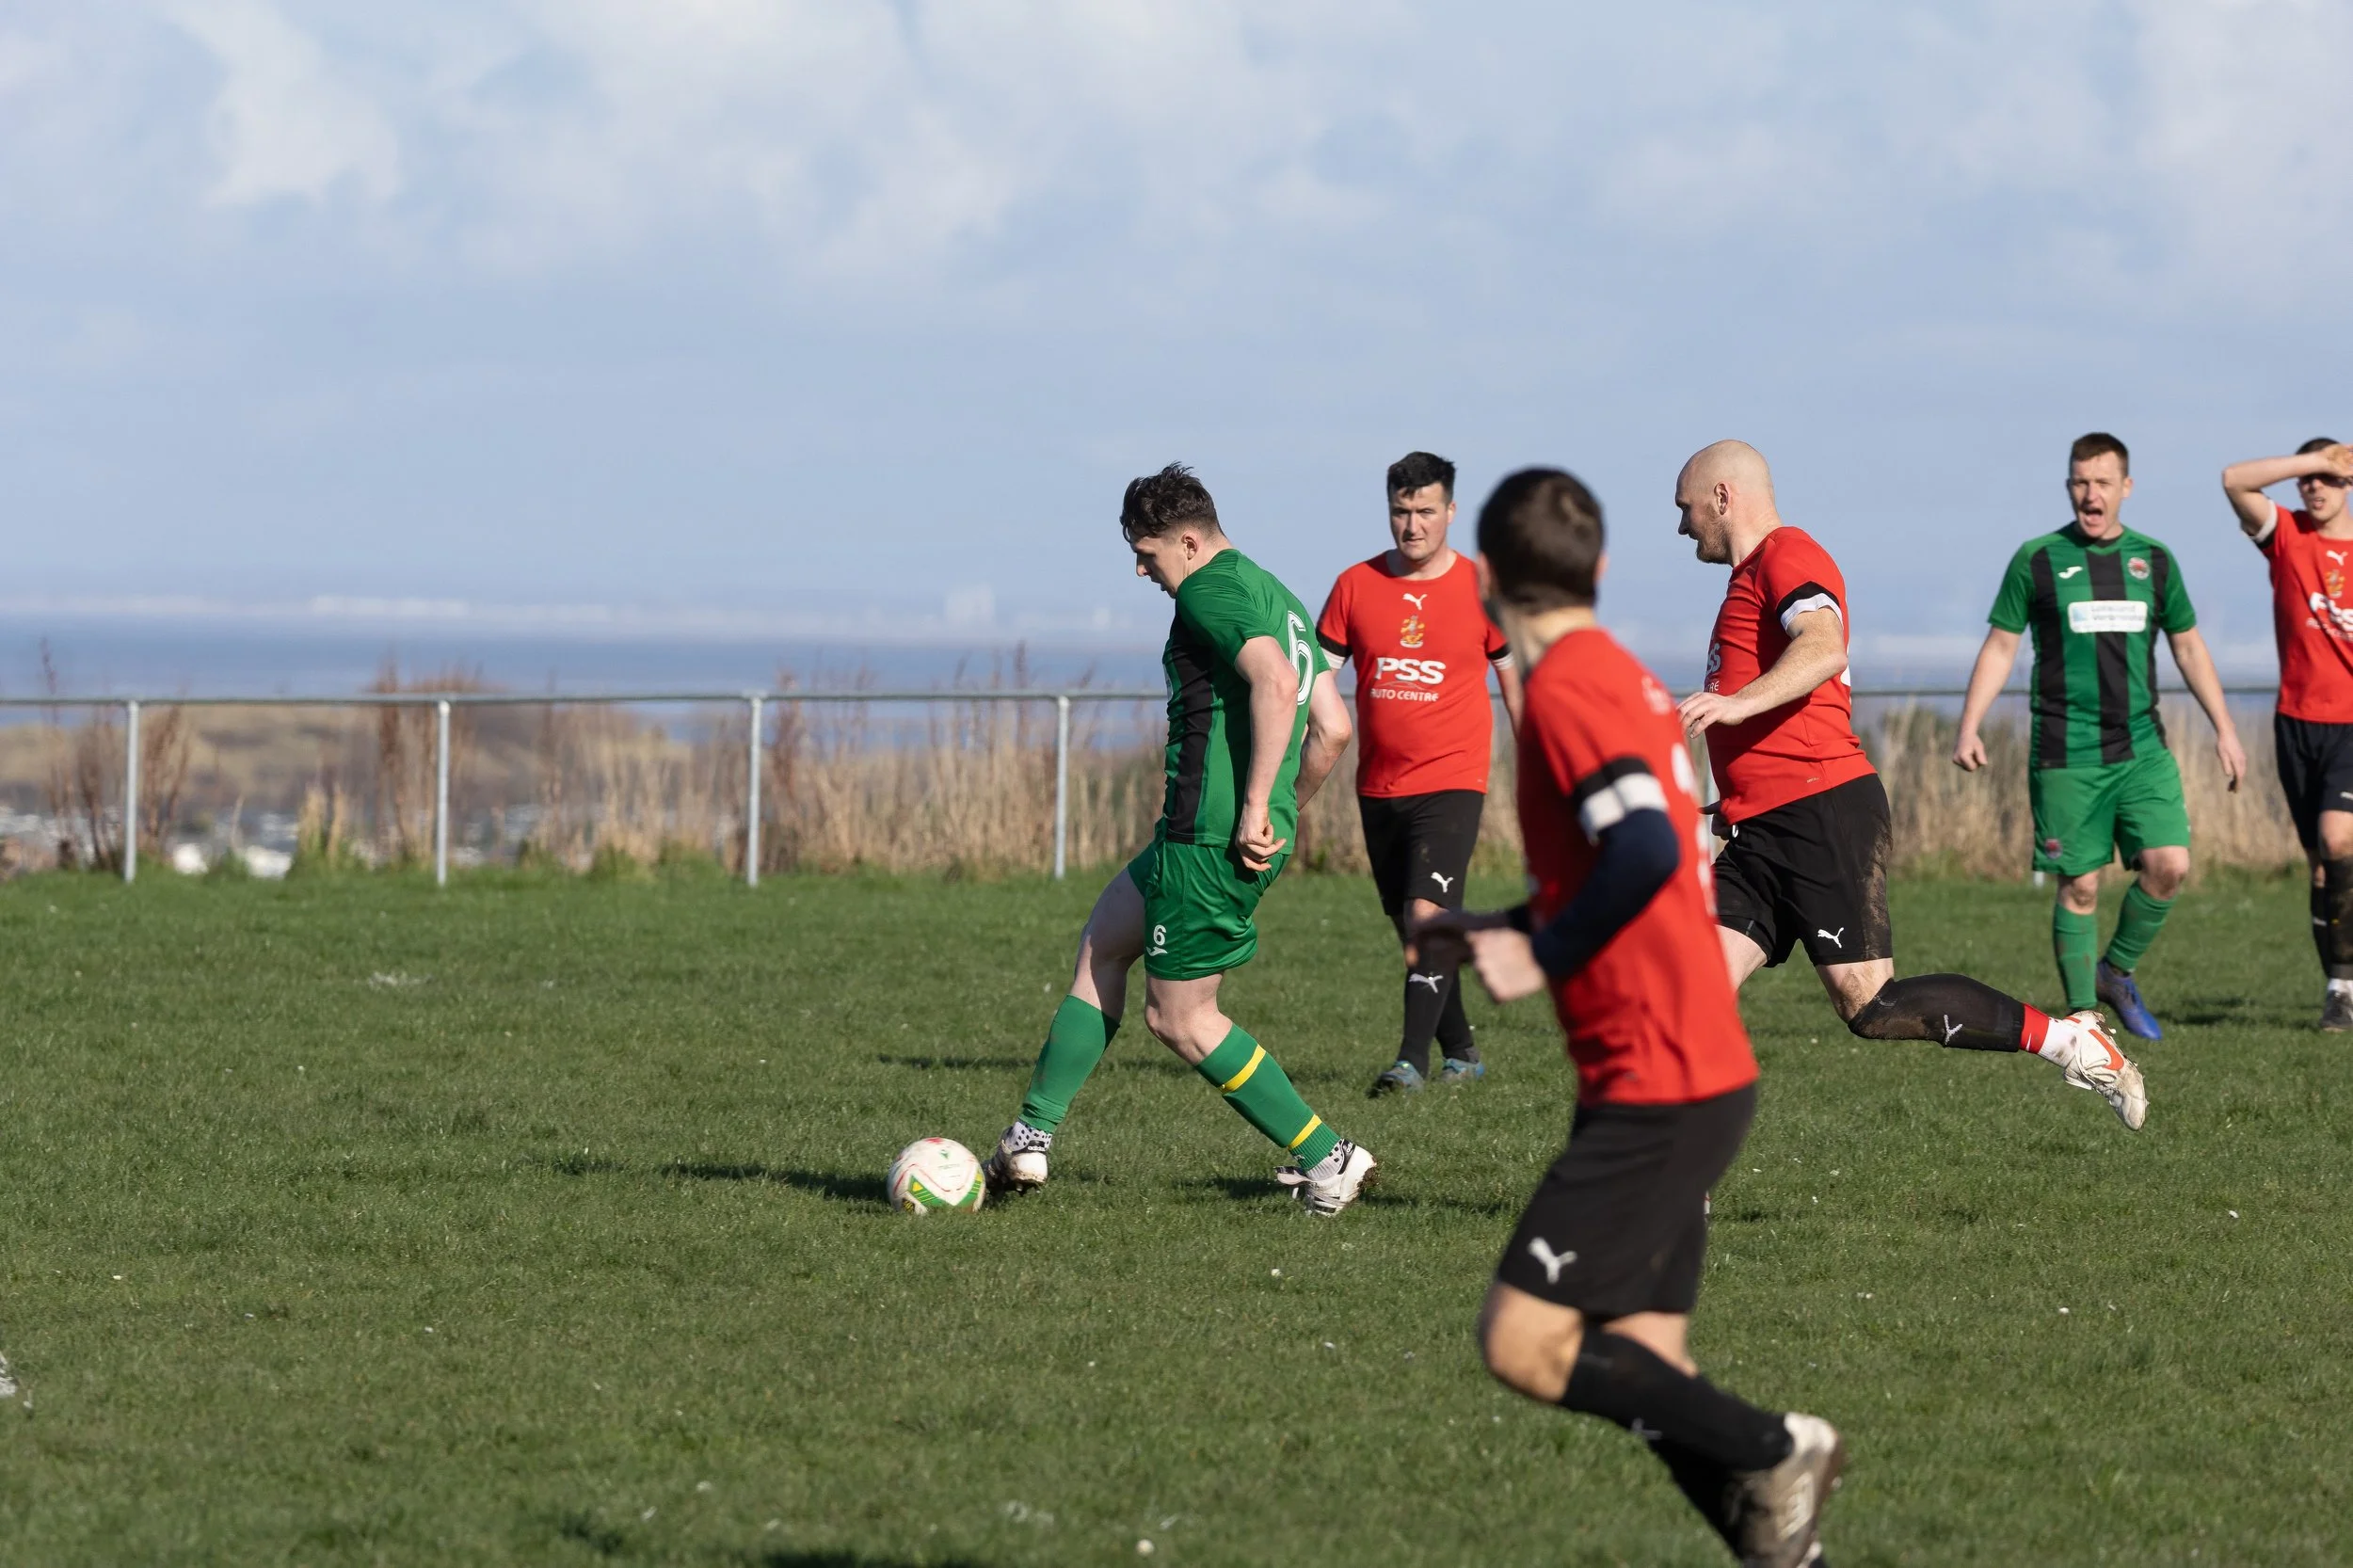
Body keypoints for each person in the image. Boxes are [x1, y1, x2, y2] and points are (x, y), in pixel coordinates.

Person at [1416, 467, 1841, 1568]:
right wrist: (1499, 920)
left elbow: (1648, 853)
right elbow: (1632, 843)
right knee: (1647, 1369)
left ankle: (1781, 1444)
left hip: (1657, 1084)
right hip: (1693, 1070)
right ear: (1599, 571)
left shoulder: (1562, 691)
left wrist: (1538, 950)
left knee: (1520, 1340)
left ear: (1488, 582)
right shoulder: (1626, 679)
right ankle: (1782, 1551)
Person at [1675, 440, 2144, 1129]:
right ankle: (1682, 1187)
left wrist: (1739, 703)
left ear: (1722, 496)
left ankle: (2074, 1042)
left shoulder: (1787, 556)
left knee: (1872, 1005)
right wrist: (1724, 810)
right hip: (1764, 827)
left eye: (1685, 509)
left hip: (1820, 812)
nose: (1683, 527)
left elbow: (1823, 643)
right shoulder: (1743, 582)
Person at [982, 464, 1377, 1214]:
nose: (1140, 568)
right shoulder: (1277, 594)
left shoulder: (1208, 589)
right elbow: (1333, 726)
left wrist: (1256, 803)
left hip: (1205, 841)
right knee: (1103, 943)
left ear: (1188, 542)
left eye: (1148, 552)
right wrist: (1281, 813)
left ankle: (1330, 1157)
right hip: (1197, 838)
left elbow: (1270, 684)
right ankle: (1030, 1137)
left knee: (1181, 1018)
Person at [1955, 432, 2249, 1039]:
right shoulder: (2037, 559)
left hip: (2142, 746)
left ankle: (2117, 972)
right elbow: (2002, 644)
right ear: (2069, 486)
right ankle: (2085, 1020)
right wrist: (1969, 725)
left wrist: (2225, 729)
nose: (2091, 495)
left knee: (2170, 866)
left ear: (2126, 488)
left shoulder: (2155, 560)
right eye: (2080, 482)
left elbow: (2188, 645)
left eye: (2102, 483)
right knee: (2081, 884)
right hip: (2066, 752)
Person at [1316, 451, 1524, 1096]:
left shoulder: (1485, 586)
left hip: (1454, 782)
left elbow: (1518, 685)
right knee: (1414, 929)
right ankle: (1462, 1050)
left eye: (1425, 512)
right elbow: (1317, 679)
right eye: (1401, 512)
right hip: (1378, 788)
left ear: (1451, 512)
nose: (1412, 525)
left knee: (1427, 918)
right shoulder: (1354, 586)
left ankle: (1410, 1063)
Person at [2221, 438, 2353, 1029]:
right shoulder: (2287, 537)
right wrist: (2317, 460)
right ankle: (2339, 989)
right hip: (2297, 725)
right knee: (2321, 870)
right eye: (2310, 479)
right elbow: (2234, 479)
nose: (2318, 487)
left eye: (2331, 476)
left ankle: (2344, 986)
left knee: (2339, 842)